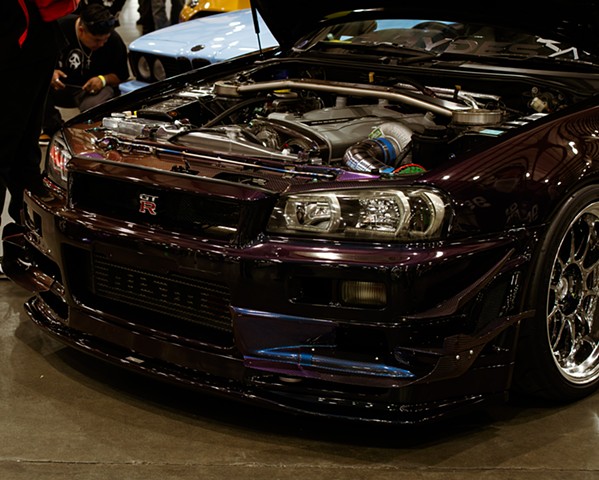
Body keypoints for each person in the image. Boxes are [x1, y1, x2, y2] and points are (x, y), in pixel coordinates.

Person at [1, 0, 63, 278]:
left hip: (22, 42)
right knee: (21, 151)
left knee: (16, 150)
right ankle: (26, 241)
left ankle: (25, 240)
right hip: (31, 41)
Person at [41, 3, 129, 141]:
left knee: (99, 105)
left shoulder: (114, 40)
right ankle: (53, 130)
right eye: (97, 40)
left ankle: (91, 135)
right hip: (60, 86)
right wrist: (51, 71)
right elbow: (38, 60)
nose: (101, 44)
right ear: (81, 30)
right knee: (36, 84)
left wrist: (103, 79)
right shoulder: (61, 27)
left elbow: (122, 75)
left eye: (105, 40)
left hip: (90, 91)